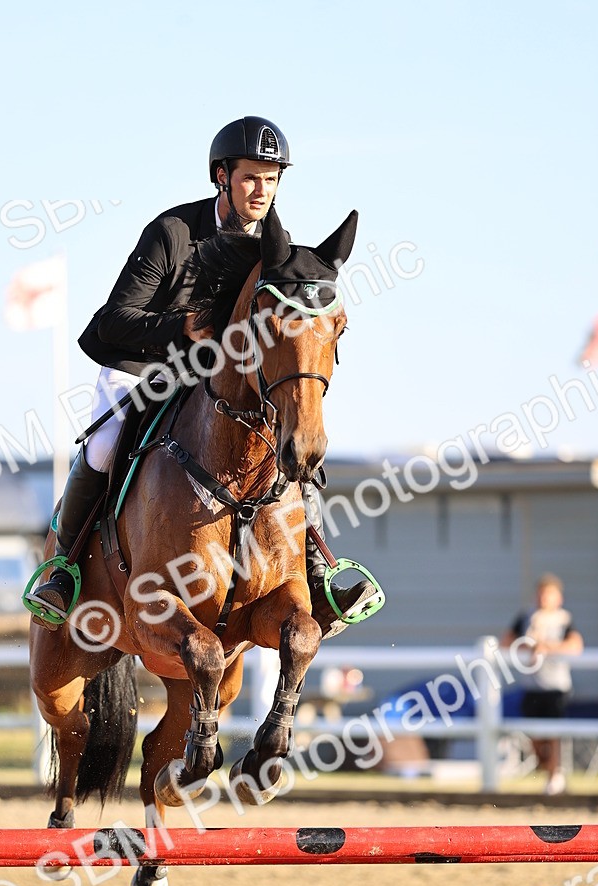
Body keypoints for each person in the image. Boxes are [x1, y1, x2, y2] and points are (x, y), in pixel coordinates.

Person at [26, 115, 377, 637]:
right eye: (250, 177)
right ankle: (65, 569)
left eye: (271, 178)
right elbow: (113, 320)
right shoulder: (173, 233)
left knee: (287, 442)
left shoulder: (277, 251)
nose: (261, 190)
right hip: (145, 366)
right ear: (222, 177)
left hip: (219, 384)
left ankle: (320, 568)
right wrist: (183, 328)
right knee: (103, 446)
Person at [501, 574, 583, 794]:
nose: (543, 598)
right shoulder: (527, 616)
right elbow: (506, 642)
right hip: (531, 685)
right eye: (541, 593)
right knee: (533, 734)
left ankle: (554, 777)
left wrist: (547, 646)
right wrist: (527, 647)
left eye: (548, 594)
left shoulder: (564, 619)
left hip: (555, 687)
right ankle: (551, 771)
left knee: (553, 733)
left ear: (558, 598)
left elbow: (575, 646)